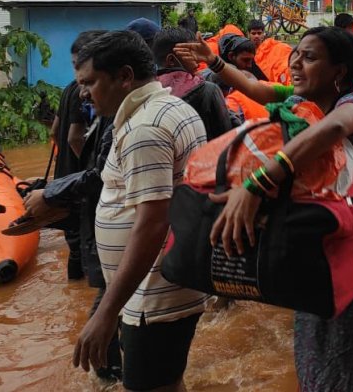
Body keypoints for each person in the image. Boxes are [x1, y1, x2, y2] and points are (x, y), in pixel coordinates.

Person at [176, 27, 353, 391]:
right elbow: (259, 91)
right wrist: (213, 60)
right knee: (319, 351)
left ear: (339, 70)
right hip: (318, 244)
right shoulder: (301, 102)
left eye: (309, 57)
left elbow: (332, 130)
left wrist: (257, 184)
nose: (295, 62)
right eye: (296, 53)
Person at [70, 30, 208, 391]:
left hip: (153, 295)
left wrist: (106, 312)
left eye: (90, 82)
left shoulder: (145, 128)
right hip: (166, 285)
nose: (83, 92)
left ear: (125, 76)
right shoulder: (171, 106)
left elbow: (153, 222)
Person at [49, 31, 104, 280]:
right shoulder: (85, 94)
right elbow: (73, 137)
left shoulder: (68, 89)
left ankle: (74, 302)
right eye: (75, 66)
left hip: (64, 179)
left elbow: (54, 131)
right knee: (87, 251)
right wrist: (92, 167)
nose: (78, 73)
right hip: (80, 184)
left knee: (75, 249)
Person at [153, 27, 234, 138]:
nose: (198, 59)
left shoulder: (147, 92)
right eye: (191, 53)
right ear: (171, 60)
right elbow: (226, 139)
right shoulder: (208, 91)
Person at [249, 19, 293, 84]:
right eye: (253, 33)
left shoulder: (272, 46)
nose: (256, 36)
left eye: (259, 33)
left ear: (263, 34)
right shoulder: (246, 51)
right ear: (248, 34)